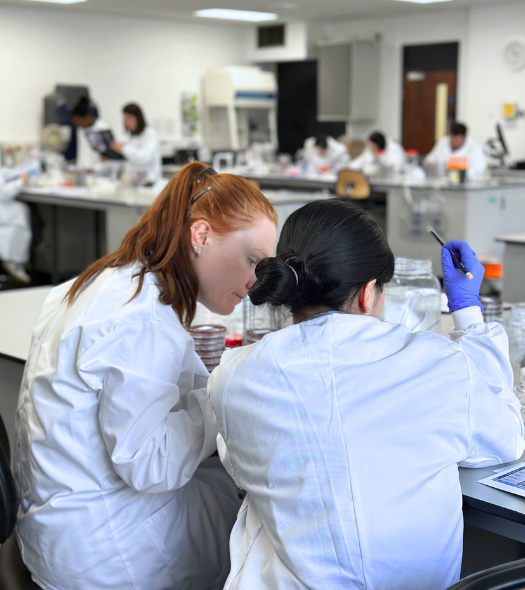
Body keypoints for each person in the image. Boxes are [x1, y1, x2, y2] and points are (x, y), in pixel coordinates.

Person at [209, 198, 524, 590]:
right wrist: (468, 310)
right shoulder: (436, 362)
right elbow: (507, 438)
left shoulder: (233, 376)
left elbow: (242, 459)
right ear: (367, 293)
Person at [15, 162, 278, 590]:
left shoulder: (97, 283)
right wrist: (223, 390)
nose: (254, 281)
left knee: (218, 481)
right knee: (258, 522)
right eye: (252, 261)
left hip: (54, 532)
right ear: (202, 235)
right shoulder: (141, 319)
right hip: (102, 554)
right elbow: (151, 465)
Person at [109, 103, 162, 185]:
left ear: (138, 118)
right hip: (137, 183)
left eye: (129, 119)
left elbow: (145, 157)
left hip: (150, 182)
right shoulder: (133, 137)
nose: (127, 123)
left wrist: (123, 149)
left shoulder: (150, 133)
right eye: (125, 120)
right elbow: (131, 161)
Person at [0, 169, 31, 283]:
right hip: (4, 214)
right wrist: (20, 182)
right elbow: (4, 194)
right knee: (22, 211)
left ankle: (13, 262)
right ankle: (13, 262)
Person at [71, 96, 111, 169]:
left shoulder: (103, 128)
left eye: (79, 121)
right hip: (82, 170)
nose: (78, 124)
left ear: (87, 116)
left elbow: (108, 155)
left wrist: (95, 168)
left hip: (98, 172)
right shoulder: (81, 129)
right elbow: (82, 152)